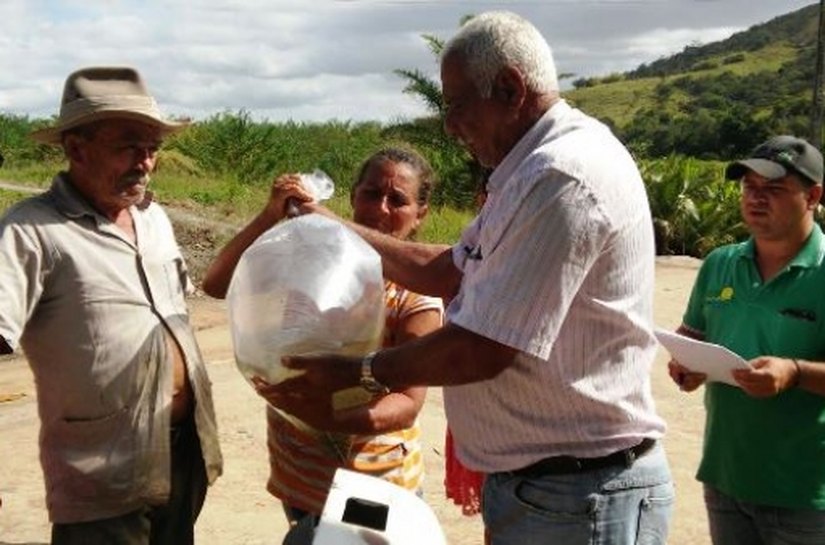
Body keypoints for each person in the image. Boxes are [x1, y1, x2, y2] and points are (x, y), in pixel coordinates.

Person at [269, 10, 674, 545]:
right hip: (551, 489)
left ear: (509, 88)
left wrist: (358, 371)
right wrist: (327, 224)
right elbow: (447, 270)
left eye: (456, 104)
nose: (448, 123)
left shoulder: (561, 175)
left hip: (579, 494)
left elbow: (480, 350)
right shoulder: (529, 172)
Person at [0, 66, 223, 545]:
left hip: (182, 455)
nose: (144, 162)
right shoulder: (30, 231)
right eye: (128, 146)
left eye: (152, 149)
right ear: (76, 148)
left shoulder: (154, 218)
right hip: (100, 473)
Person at [201, 146, 443, 542]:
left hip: (374, 484)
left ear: (421, 215)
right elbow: (217, 284)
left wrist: (323, 416)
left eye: (397, 200)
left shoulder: (414, 296)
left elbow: (407, 404)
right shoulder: (310, 262)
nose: (380, 209)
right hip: (301, 479)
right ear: (351, 196)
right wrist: (269, 214)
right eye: (370, 193)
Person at [667, 135, 825, 545]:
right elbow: (692, 337)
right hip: (726, 480)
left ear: (813, 196)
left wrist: (793, 372)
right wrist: (687, 367)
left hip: (806, 494)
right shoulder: (719, 263)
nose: (756, 199)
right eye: (749, 188)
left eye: (773, 189)